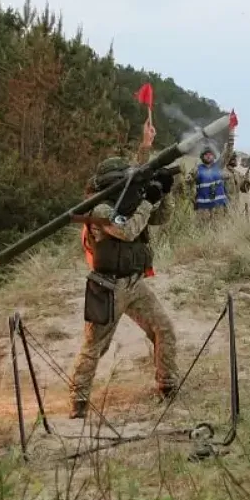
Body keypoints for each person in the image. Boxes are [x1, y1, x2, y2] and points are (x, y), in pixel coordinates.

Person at [67, 128, 179, 419]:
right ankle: (78, 400)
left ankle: (167, 384)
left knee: (163, 328)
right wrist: (146, 200)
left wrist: (162, 193)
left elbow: (160, 218)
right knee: (95, 346)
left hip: (134, 283)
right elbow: (127, 231)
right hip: (108, 286)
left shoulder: (126, 205)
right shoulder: (99, 209)